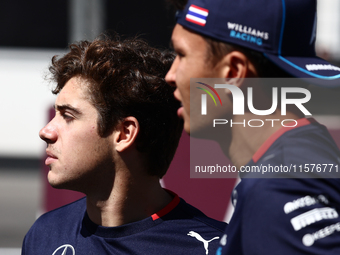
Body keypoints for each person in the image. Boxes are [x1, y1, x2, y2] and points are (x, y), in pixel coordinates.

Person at [21, 35, 226, 255]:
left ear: (124, 133)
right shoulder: (45, 235)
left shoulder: (217, 247)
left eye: (68, 116)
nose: (46, 132)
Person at [165, 0, 340, 254]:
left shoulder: (277, 189)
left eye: (182, 55)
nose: (170, 75)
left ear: (234, 72)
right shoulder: (300, 157)